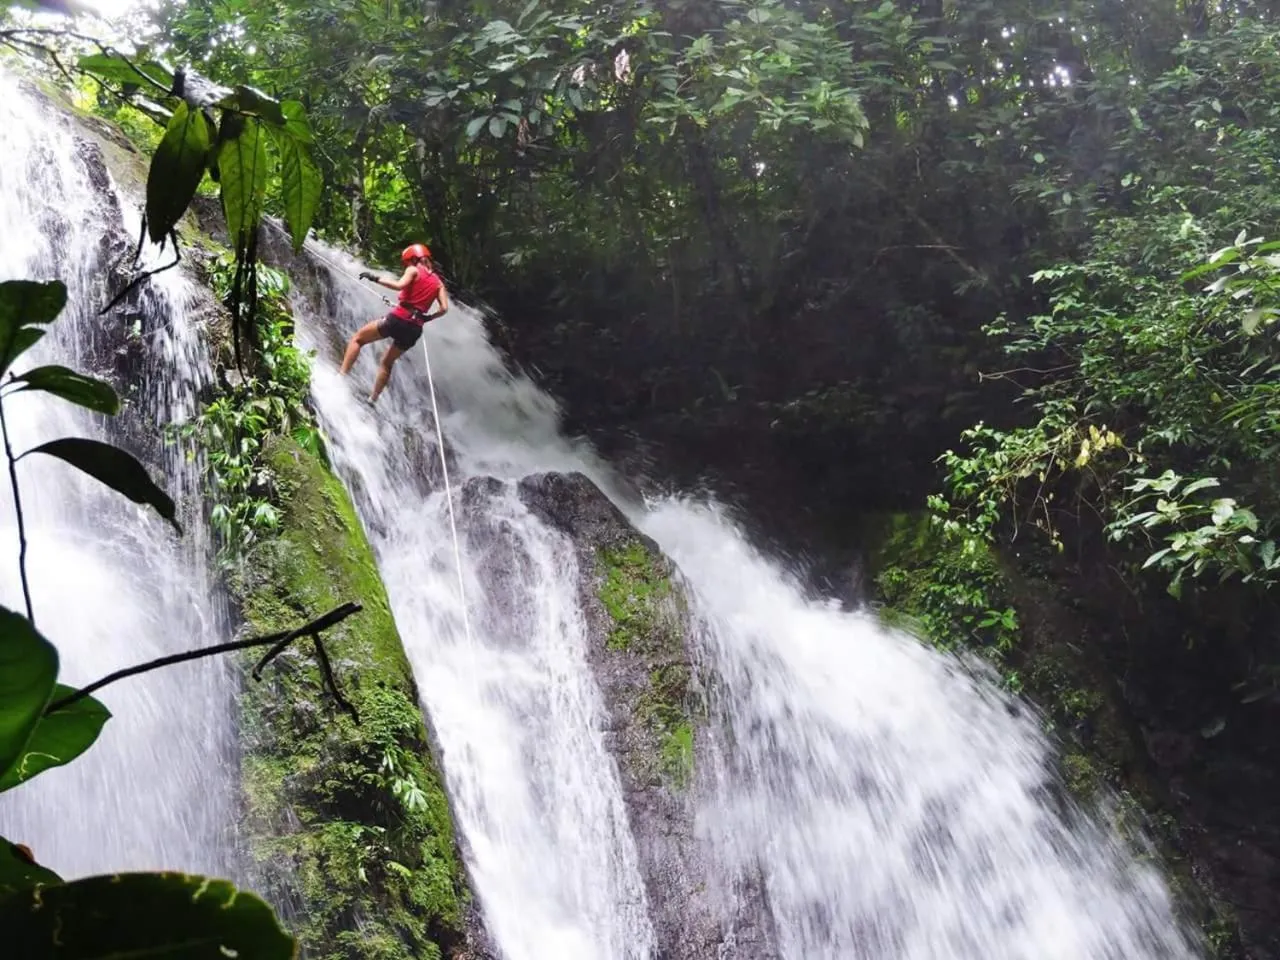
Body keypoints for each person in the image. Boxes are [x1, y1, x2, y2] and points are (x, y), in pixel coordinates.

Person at [340, 243, 450, 403]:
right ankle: (373, 399)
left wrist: (374, 278)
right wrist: (428, 318)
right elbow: (444, 308)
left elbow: (399, 286)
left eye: (408, 261)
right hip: (415, 328)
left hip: (399, 318)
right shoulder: (439, 283)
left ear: (414, 259)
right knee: (387, 362)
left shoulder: (414, 270)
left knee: (358, 339)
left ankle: (341, 376)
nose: (407, 265)